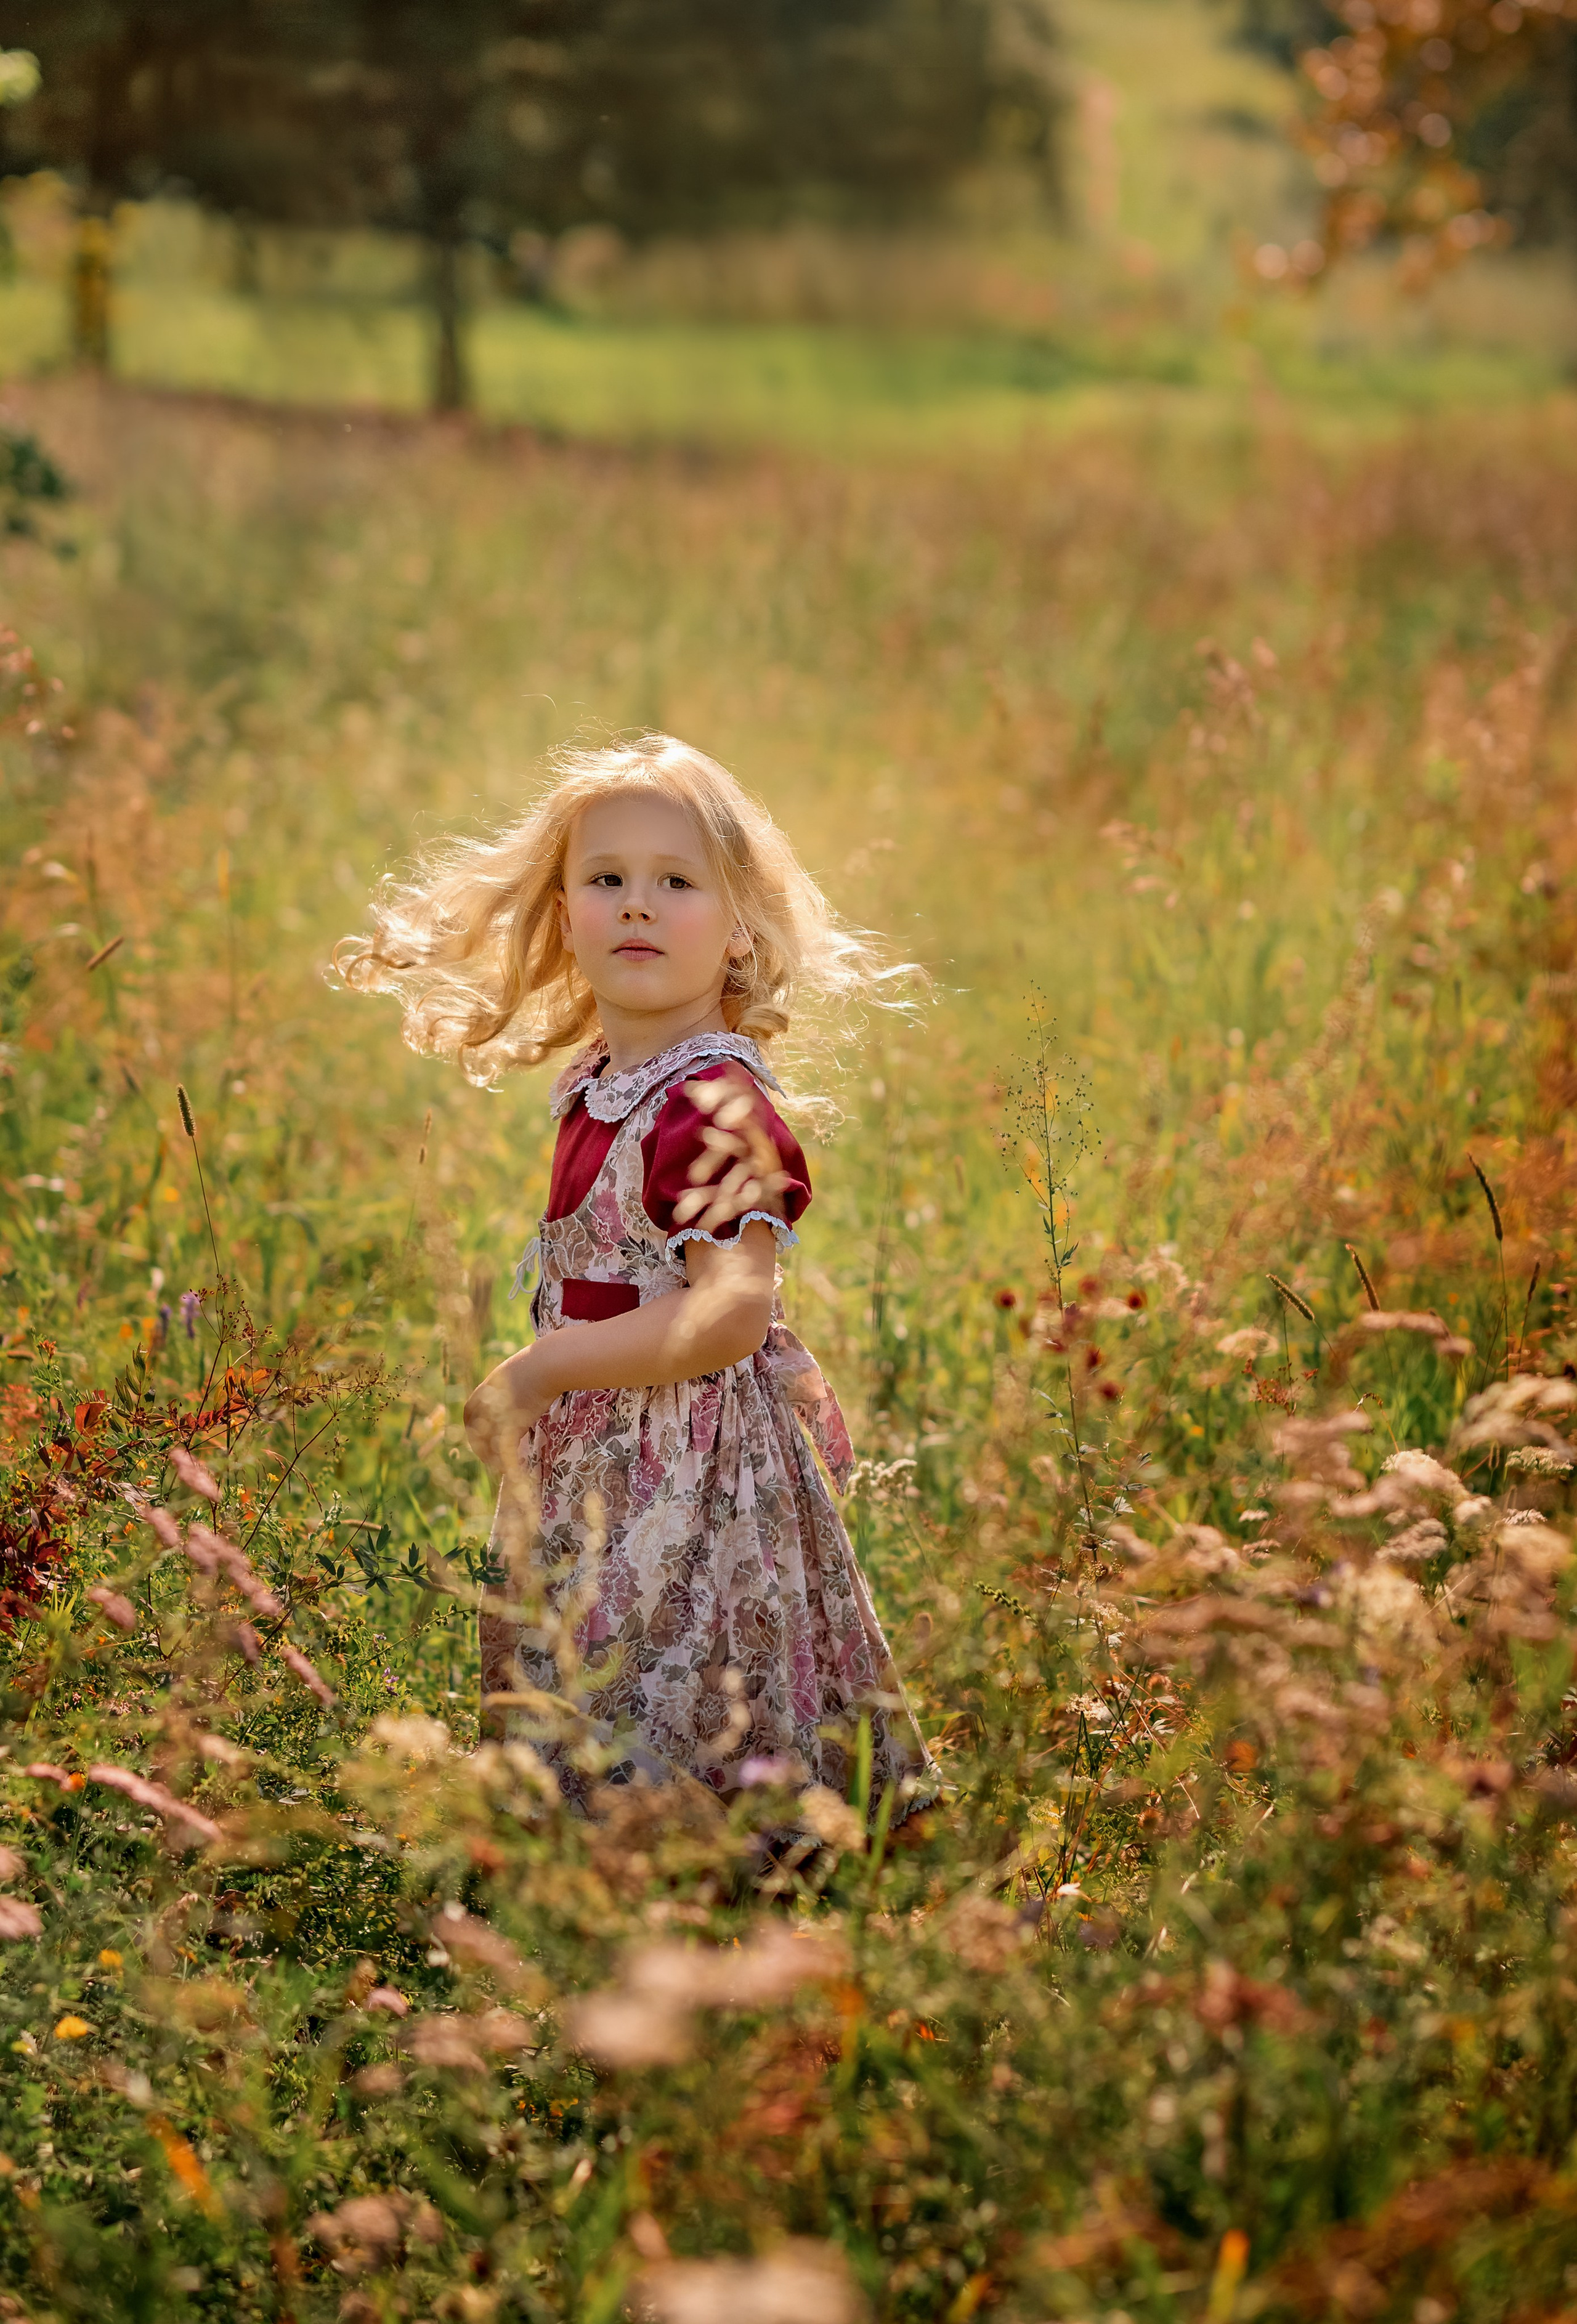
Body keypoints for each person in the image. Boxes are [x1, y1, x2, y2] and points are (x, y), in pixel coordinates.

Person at [337, 734, 936, 1822]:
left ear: (740, 923)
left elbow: (733, 1310)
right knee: (585, 1697)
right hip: (603, 1468)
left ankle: (709, 1881)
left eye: (676, 882)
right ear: (566, 914)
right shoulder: (612, 1082)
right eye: (607, 880)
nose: (638, 907)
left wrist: (546, 1366)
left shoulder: (707, 1100)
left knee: (681, 1707)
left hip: (694, 1485)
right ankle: (605, 1899)